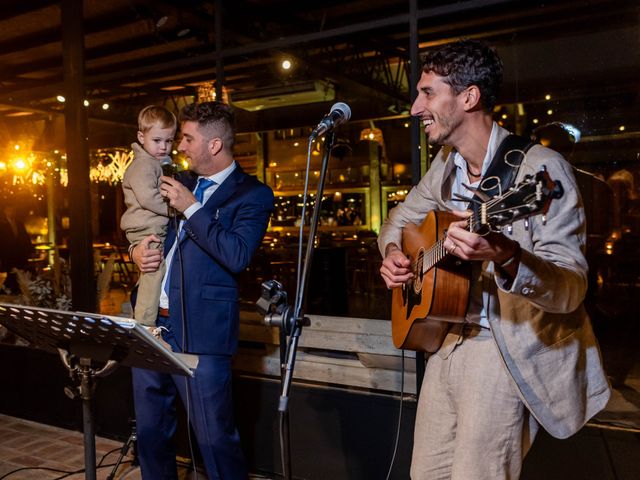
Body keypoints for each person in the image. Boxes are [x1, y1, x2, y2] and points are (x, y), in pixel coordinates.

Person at [378, 39, 610, 479]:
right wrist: (392, 253)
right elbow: (399, 219)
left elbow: (570, 289)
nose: (414, 108)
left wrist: (505, 255)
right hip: (444, 341)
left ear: (468, 97)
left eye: (427, 93)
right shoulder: (446, 165)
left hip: (501, 352)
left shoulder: (539, 172)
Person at [129, 101, 274, 479]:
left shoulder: (253, 195)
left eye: (188, 139)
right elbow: (144, 222)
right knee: (151, 434)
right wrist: (136, 251)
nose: (180, 146)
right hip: (152, 328)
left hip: (203, 333)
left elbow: (237, 254)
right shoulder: (180, 179)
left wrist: (192, 208)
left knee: (214, 439)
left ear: (213, 145)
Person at [120, 105, 177, 326]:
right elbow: (148, 198)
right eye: (157, 140)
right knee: (153, 271)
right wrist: (176, 210)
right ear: (141, 137)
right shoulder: (143, 165)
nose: (164, 146)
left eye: (169, 141)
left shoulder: (156, 163)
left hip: (150, 226)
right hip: (146, 229)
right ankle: (144, 324)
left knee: (153, 271)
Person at [0, 205, 35, 294]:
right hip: (8, 253)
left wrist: (30, 250)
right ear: (5, 212)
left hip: (19, 253)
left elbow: (25, 237)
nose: (11, 212)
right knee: (10, 272)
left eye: (12, 210)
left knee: (20, 271)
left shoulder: (19, 223)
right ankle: (10, 289)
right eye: (9, 210)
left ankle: (18, 289)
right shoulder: (2, 224)